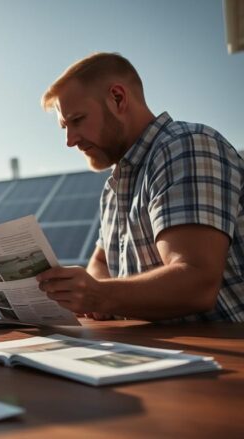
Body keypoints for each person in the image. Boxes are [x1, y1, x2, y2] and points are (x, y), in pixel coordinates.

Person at [36, 52, 243, 322]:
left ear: (118, 98)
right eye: (65, 127)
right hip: (158, 357)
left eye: (77, 120)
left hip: (225, 358)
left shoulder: (185, 147)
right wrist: (90, 295)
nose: (70, 140)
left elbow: (197, 281)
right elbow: (100, 264)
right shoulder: (114, 188)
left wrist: (99, 295)